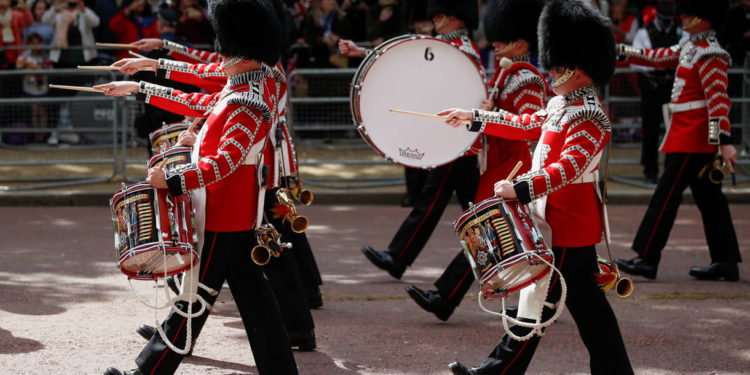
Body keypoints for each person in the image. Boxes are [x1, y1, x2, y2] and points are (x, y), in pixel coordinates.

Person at [96, 0, 299, 374]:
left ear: (236, 48)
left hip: (224, 213)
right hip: (230, 213)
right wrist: (138, 88)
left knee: (193, 298)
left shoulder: (248, 100)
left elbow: (225, 162)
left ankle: (148, 372)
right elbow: (198, 99)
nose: (217, 57)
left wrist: (173, 178)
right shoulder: (250, 84)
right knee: (255, 301)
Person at [438, 0, 633, 373]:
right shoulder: (563, 104)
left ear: (581, 70)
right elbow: (525, 123)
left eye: (560, 65)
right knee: (591, 312)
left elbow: (569, 168)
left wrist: (522, 189)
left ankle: (496, 371)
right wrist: (474, 118)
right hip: (556, 222)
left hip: (566, 223)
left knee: (535, 303)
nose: (553, 70)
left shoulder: (591, 114)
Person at [404, 0, 546, 322]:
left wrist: (485, 115)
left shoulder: (526, 79)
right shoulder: (507, 74)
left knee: (492, 231)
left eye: (500, 41)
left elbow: (527, 125)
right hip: (494, 161)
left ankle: (446, 296)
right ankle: (448, 297)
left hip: (512, 164)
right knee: (495, 233)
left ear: (520, 43)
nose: (493, 45)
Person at [340, 0, 481, 281]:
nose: (436, 19)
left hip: (457, 141)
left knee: (435, 202)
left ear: (456, 18)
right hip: (452, 140)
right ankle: (403, 258)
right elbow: (409, 66)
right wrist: (364, 53)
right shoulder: (445, 47)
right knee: (473, 213)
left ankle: (399, 257)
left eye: (441, 15)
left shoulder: (460, 50)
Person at [614, 0, 741, 282]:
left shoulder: (711, 53)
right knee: (711, 200)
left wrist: (722, 140)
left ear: (705, 18)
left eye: (689, 13)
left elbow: (718, 99)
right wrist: (622, 51)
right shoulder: (689, 47)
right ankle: (726, 261)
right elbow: (656, 56)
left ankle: (647, 257)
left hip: (693, 137)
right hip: (687, 135)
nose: (683, 17)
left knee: (666, 196)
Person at [632, 0, 683, 184]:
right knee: (650, 131)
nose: (667, 24)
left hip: (672, 88)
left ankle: (671, 172)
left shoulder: (679, 32)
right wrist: (658, 63)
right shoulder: (644, 32)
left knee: (672, 131)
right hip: (652, 87)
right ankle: (650, 170)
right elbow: (635, 60)